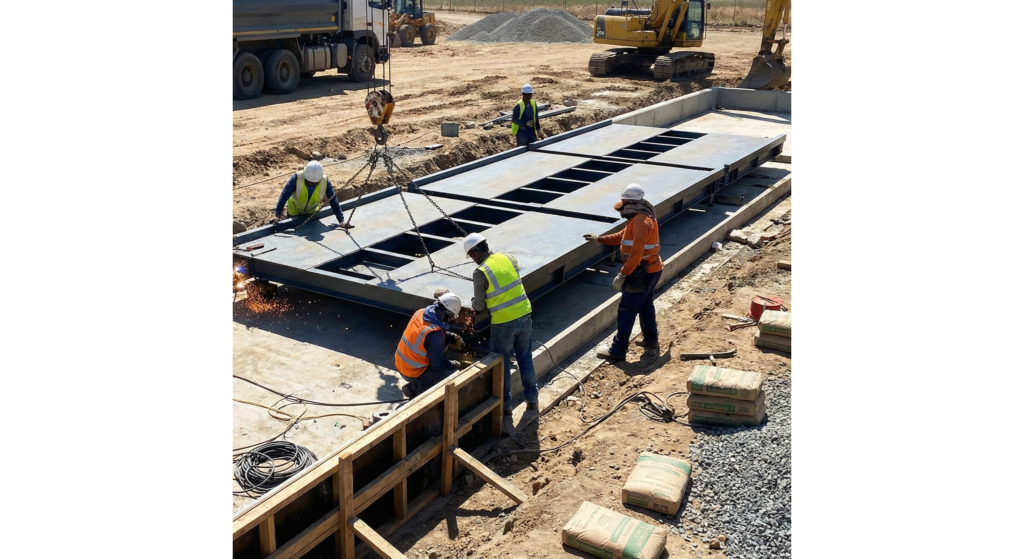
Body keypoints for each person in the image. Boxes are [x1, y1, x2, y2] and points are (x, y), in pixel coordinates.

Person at [584, 183, 663, 361]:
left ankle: (618, 350)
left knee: (626, 310)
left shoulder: (641, 221)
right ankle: (651, 340)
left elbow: (636, 254)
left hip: (642, 272)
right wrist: (600, 239)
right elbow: (623, 236)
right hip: (651, 269)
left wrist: (623, 274)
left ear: (630, 202)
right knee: (645, 306)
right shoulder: (642, 216)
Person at [464, 233, 539, 414]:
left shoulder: (480, 272)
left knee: (502, 364)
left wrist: (474, 304)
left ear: (474, 253)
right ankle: (532, 399)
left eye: (471, 256)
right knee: (525, 358)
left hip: (503, 322)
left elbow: (479, 305)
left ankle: (505, 407)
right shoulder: (508, 257)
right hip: (524, 314)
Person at [396, 292, 465, 398]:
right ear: (448, 314)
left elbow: (428, 334)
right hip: (412, 372)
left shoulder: (421, 312)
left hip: (401, 363)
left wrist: (453, 337)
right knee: (454, 377)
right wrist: (455, 364)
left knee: (441, 345)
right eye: (451, 317)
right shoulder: (435, 335)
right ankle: (415, 388)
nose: (451, 320)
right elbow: (438, 365)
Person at [274, 160, 353, 229]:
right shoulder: (297, 178)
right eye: (308, 182)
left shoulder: (325, 182)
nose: (311, 184)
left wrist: (341, 221)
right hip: (294, 212)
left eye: (313, 183)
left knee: (311, 231)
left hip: (312, 214)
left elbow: (333, 201)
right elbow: (284, 195)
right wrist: (277, 214)